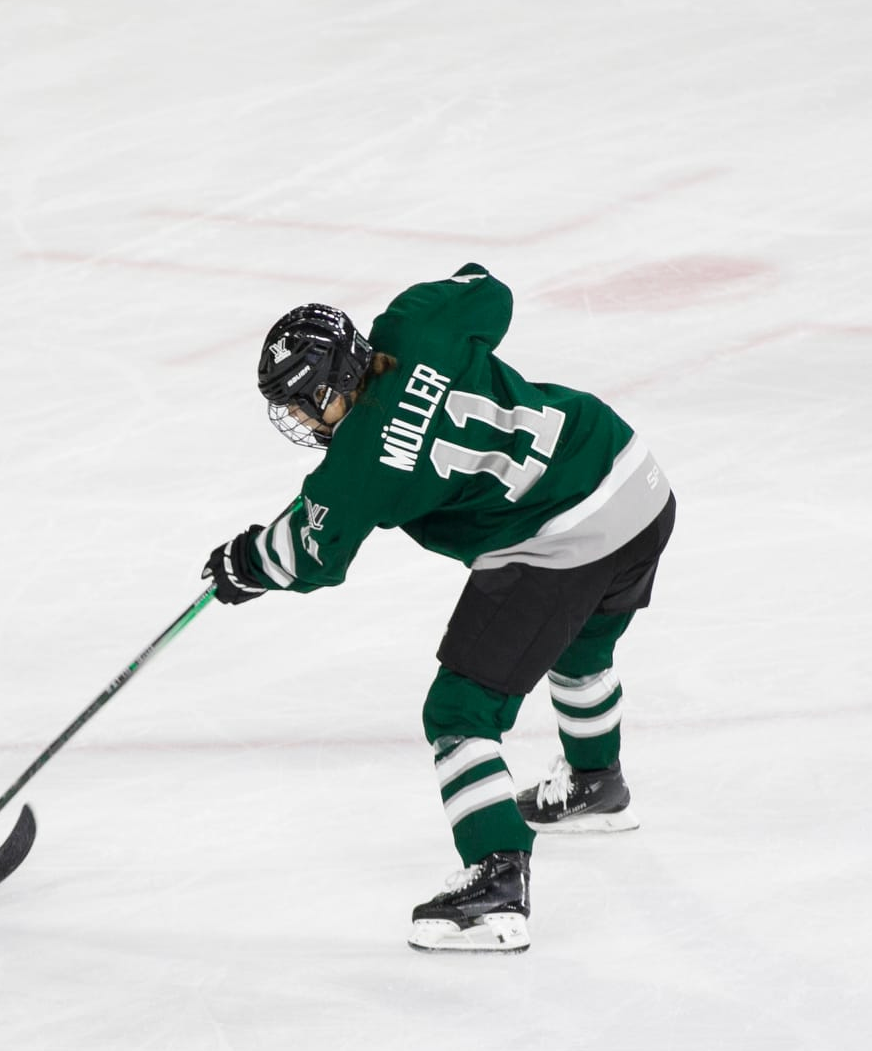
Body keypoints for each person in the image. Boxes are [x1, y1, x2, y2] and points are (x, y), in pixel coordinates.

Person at [201, 263, 676, 953]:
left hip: (561, 539)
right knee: (579, 650)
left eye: (308, 403)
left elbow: (310, 556)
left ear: (337, 381)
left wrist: (244, 562)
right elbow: (487, 289)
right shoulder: (416, 325)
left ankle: (496, 884)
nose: (303, 420)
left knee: (459, 711)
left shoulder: (356, 467)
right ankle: (595, 782)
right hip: (632, 479)